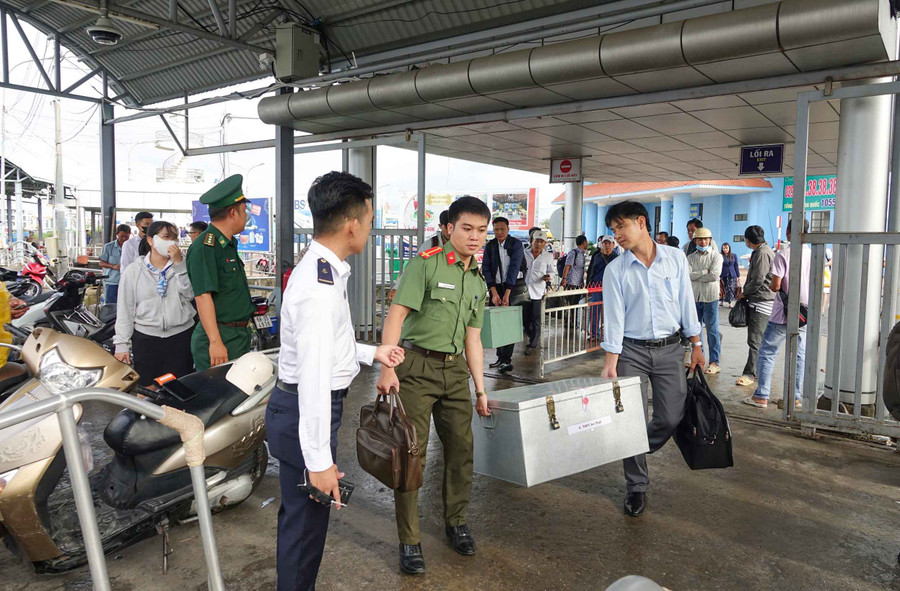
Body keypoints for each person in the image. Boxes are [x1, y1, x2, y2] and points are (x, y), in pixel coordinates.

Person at [267, 171, 405, 591]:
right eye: (368, 218)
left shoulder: (326, 271)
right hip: (305, 411)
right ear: (351, 225)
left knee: (306, 521)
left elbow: (328, 348)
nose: (368, 226)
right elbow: (311, 377)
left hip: (307, 409)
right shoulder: (319, 287)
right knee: (304, 528)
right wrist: (319, 462)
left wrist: (371, 353)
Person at [376, 196, 491, 575]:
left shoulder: (478, 280)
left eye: (481, 231)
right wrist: (387, 368)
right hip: (416, 368)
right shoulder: (424, 265)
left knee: (462, 450)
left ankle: (456, 521)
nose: (475, 237)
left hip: (456, 372)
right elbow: (397, 315)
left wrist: (480, 389)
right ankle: (409, 541)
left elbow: (474, 339)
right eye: (467, 229)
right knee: (411, 456)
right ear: (449, 229)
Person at [600, 200, 703, 518]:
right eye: (613, 229)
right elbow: (614, 318)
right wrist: (610, 361)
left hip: (671, 348)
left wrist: (697, 343)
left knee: (670, 417)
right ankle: (636, 486)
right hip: (631, 351)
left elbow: (686, 300)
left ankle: (631, 445)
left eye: (621, 226)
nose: (617, 234)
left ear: (641, 222)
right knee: (630, 418)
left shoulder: (674, 259)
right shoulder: (615, 270)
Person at [113, 221, 195, 386]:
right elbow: (125, 309)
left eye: (175, 238)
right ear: (150, 240)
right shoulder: (133, 271)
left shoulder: (184, 265)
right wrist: (122, 344)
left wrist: (180, 266)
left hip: (181, 336)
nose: (172, 242)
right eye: (166, 237)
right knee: (149, 390)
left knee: (179, 387)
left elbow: (190, 294)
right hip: (146, 338)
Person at [186, 175, 255, 371]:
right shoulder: (205, 247)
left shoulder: (228, 243)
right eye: (244, 210)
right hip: (220, 337)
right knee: (218, 397)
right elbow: (202, 296)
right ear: (233, 213)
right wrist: (215, 342)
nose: (245, 215)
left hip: (237, 335)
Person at [742, 218, 811, 409]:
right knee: (799, 354)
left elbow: (776, 285)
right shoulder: (814, 255)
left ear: (788, 232)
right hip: (803, 314)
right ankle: (795, 397)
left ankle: (762, 395)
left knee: (767, 352)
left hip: (783, 313)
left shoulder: (784, 255)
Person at [482, 216, 524, 373]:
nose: (499, 232)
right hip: (496, 289)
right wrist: (493, 292)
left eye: (502, 229)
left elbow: (514, 268)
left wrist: (507, 293)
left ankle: (507, 359)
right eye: (496, 229)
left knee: (509, 324)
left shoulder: (516, 244)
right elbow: (486, 268)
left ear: (508, 229)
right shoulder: (491, 245)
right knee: (497, 323)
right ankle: (500, 357)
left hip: (512, 289)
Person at [736, 225, 775, 387]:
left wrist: (744, 292)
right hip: (760, 301)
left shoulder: (762, 254)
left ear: (748, 239)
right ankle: (757, 371)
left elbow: (758, 279)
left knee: (755, 340)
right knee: (758, 340)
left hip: (762, 302)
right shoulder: (761, 251)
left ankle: (750, 373)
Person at [688, 227, 723, 375]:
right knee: (696, 330)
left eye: (705, 239)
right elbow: (687, 275)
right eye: (699, 239)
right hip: (695, 297)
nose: (703, 242)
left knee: (712, 330)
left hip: (711, 298)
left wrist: (697, 275)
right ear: (694, 240)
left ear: (710, 240)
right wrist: (704, 272)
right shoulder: (690, 258)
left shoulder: (716, 256)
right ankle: (698, 358)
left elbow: (714, 276)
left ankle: (715, 362)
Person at [523, 230, 554, 354]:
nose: (539, 244)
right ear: (532, 241)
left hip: (538, 291)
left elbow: (552, 271)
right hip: (524, 292)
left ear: (545, 243)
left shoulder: (548, 256)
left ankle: (533, 343)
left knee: (536, 319)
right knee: (525, 320)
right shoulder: (524, 254)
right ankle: (531, 336)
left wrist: (548, 277)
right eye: (537, 241)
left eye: (542, 242)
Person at [586, 235, 618, 340]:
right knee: (595, 310)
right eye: (605, 243)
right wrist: (588, 286)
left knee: (612, 311)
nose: (607, 245)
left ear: (613, 245)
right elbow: (591, 271)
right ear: (601, 244)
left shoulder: (617, 258)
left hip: (612, 288)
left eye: (609, 243)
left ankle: (611, 335)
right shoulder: (597, 257)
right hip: (597, 287)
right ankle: (594, 334)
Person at [98, 224, 131, 304]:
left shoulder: (132, 247)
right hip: (112, 282)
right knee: (111, 306)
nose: (123, 239)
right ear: (117, 235)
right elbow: (101, 263)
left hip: (127, 283)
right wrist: (114, 266)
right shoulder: (108, 247)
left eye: (126, 237)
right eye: (121, 236)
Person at [720, 242, 740, 307]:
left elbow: (736, 265)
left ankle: (730, 302)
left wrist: (738, 275)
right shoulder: (720, 256)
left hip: (732, 274)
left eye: (726, 248)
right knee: (723, 288)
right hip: (723, 274)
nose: (725, 249)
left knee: (731, 288)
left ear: (729, 248)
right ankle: (722, 300)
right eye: (723, 248)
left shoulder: (734, 255)